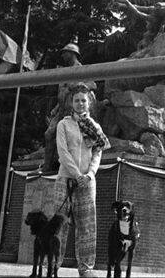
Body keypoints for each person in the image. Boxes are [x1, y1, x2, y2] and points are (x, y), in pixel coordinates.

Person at [54, 83, 109, 277]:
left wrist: (90, 174)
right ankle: (52, 265)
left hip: (87, 181)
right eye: (76, 100)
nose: (80, 104)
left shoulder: (95, 127)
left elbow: (97, 153)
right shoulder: (64, 124)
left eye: (83, 100)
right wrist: (76, 174)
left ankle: (86, 268)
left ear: (89, 103)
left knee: (87, 225)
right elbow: (63, 152)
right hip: (66, 178)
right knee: (59, 224)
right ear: (71, 102)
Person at [41, 40, 97, 173]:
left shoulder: (81, 69)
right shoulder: (64, 71)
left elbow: (93, 85)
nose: (63, 56)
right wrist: (55, 108)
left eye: (65, 53)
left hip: (74, 111)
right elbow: (62, 93)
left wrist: (79, 86)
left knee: (73, 139)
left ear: (73, 54)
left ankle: (74, 167)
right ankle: (46, 166)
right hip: (61, 110)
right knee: (49, 134)